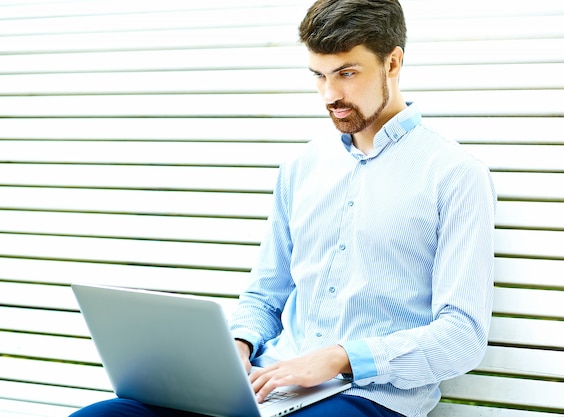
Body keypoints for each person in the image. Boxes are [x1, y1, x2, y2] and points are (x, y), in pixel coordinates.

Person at [70, 0, 497, 416]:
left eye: (347, 73)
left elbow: (462, 336)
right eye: (319, 75)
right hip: (270, 384)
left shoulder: (455, 175)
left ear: (392, 62)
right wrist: (237, 346)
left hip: (370, 398)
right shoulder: (300, 168)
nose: (331, 94)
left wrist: (339, 357)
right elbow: (264, 295)